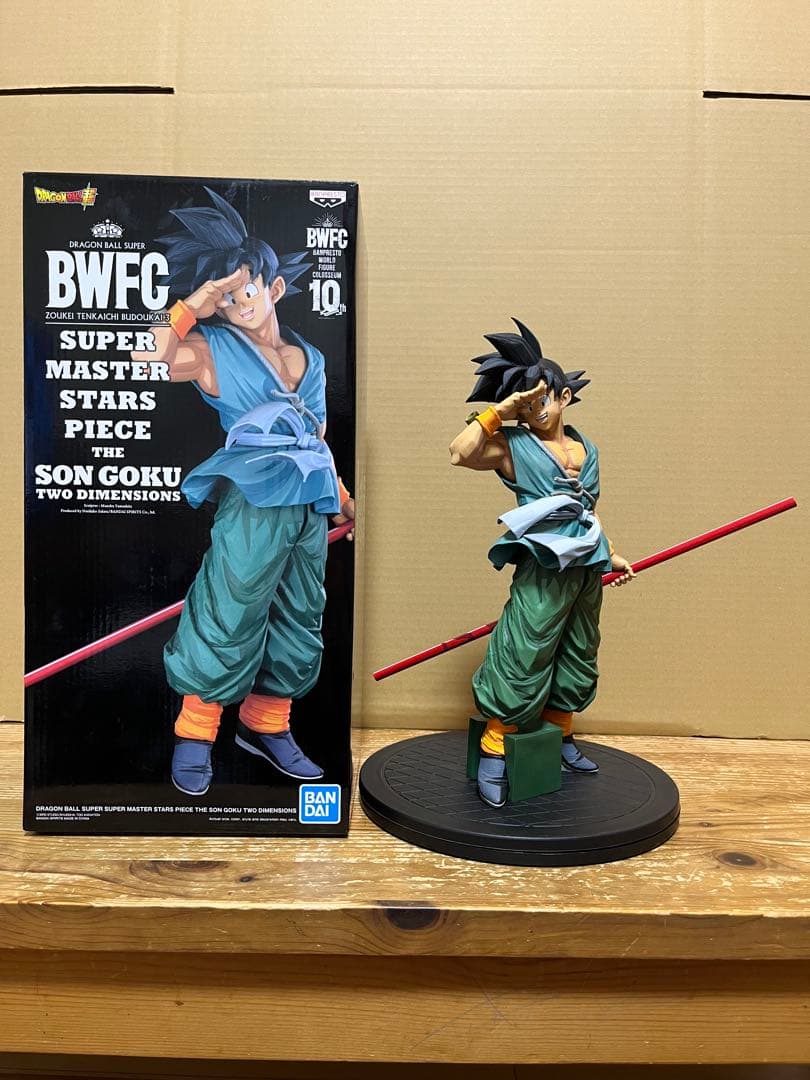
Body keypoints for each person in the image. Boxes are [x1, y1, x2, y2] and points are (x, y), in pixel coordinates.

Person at [132, 187, 354, 796]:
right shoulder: (212, 349)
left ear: (273, 288)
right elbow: (148, 358)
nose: (236, 304)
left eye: (245, 290)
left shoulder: (308, 358)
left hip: (308, 505)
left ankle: (266, 725)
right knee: (230, 609)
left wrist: (342, 498)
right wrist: (195, 304)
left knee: (299, 615)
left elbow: (315, 438)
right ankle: (195, 733)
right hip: (254, 502)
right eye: (226, 298)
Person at [449, 319, 633, 807]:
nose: (535, 411)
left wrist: (610, 553)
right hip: (544, 568)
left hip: (586, 568)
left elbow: (586, 512)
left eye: (541, 400)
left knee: (579, 649)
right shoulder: (514, 446)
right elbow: (458, 454)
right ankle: (494, 750)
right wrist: (500, 411)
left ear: (564, 396)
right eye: (526, 405)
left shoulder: (586, 449)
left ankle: (561, 734)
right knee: (524, 649)